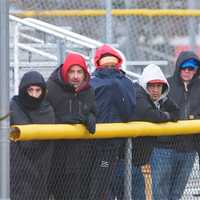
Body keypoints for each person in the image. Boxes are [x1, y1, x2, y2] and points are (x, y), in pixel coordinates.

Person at [151, 51, 200, 200]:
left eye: (191, 68)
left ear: (196, 70)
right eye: (184, 68)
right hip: (164, 148)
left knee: (176, 192)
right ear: (178, 67)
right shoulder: (166, 85)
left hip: (188, 148)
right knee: (160, 192)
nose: (186, 71)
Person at [46, 52, 96, 199]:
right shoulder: (51, 88)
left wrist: (91, 117)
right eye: (72, 71)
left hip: (80, 159)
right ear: (65, 72)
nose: (75, 76)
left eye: (79, 72)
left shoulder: (89, 91)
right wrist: (64, 119)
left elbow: (92, 110)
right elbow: (43, 116)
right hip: (54, 158)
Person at [89, 44, 136, 200]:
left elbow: (129, 112)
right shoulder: (92, 83)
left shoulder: (124, 83)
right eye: (106, 66)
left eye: (112, 66)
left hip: (113, 147)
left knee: (105, 186)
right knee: (99, 186)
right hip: (95, 145)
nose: (109, 69)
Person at [133, 64, 179, 200]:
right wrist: (166, 116)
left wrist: (164, 114)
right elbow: (150, 115)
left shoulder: (161, 98)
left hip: (140, 154)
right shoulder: (138, 94)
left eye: (159, 86)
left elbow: (176, 112)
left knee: (152, 191)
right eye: (151, 86)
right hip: (127, 156)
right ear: (144, 85)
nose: (155, 90)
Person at [10, 71, 55, 200]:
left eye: (38, 90)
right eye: (30, 90)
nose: (34, 95)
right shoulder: (14, 106)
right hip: (17, 169)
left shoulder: (47, 109)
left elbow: (48, 143)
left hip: (41, 168)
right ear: (23, 90)